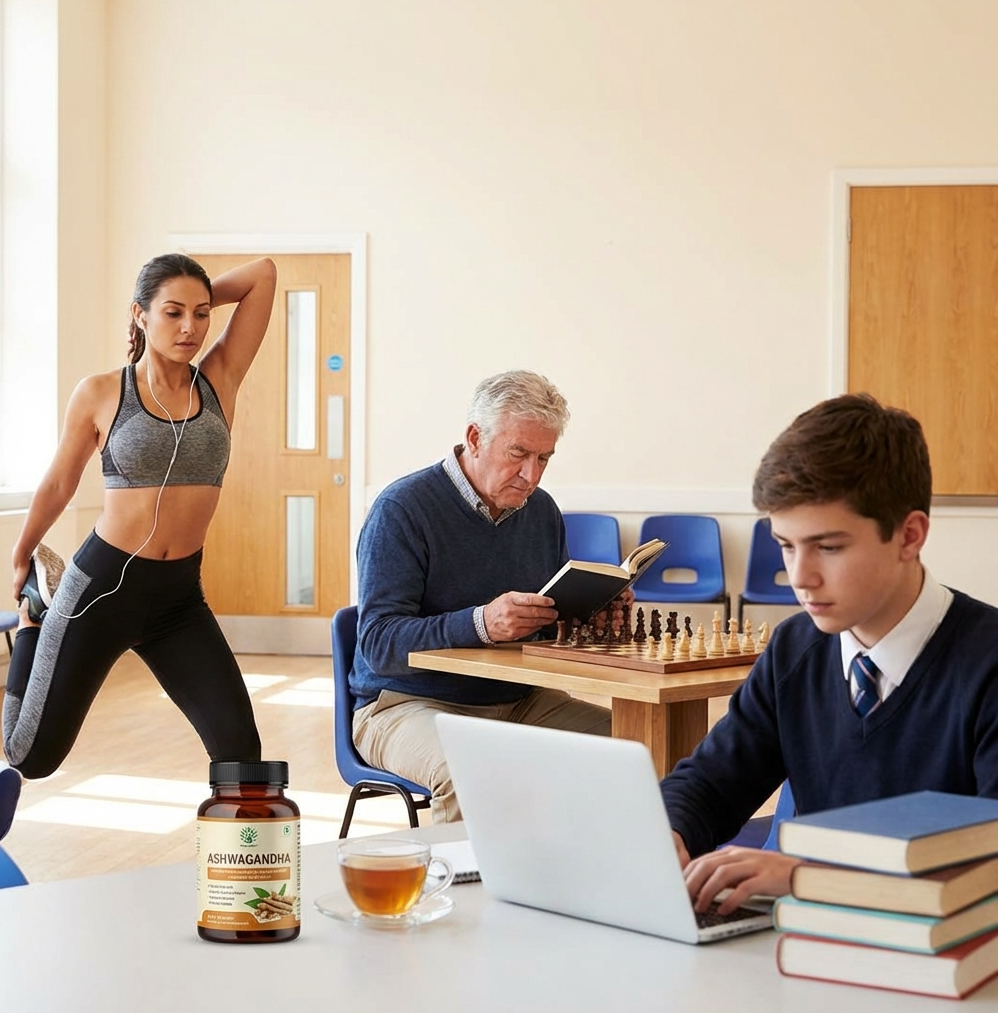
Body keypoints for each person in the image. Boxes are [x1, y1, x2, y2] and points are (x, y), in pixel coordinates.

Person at [661, 393, 998, 914]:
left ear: (910, 535)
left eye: (829, 547)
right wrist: (669, 829)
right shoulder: (796, 649)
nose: (800, 577)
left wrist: (809, 876)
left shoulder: (987, 663)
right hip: (810, 951)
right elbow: (711, 781)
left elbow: (988, 867)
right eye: (786, 544)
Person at [3, 253, 277, 778]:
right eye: (172, 313)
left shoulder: (218, 381)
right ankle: (34, 622)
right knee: (31, 758)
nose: (190, 327)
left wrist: (190, 298)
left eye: (200, 315)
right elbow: (61, 481)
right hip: (100, 590)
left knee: (241, 751)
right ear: (139, 315)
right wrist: (22, 553)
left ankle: (236, 861)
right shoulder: (103, 392)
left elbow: (262, 274)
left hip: (178, 599)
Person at [351, 370, 614, 822]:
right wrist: (481, 624)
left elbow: (549, 618)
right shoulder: (403, 510)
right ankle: (467, 890)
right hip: (405, 703)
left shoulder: (542, 511)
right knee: (471, 770)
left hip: (521, 700)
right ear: (475, 437)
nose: (531, 475)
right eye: (519, 454)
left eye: (544, 458)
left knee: (637, 748)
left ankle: (591, 881)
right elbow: (378, 643)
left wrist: (591, 612)